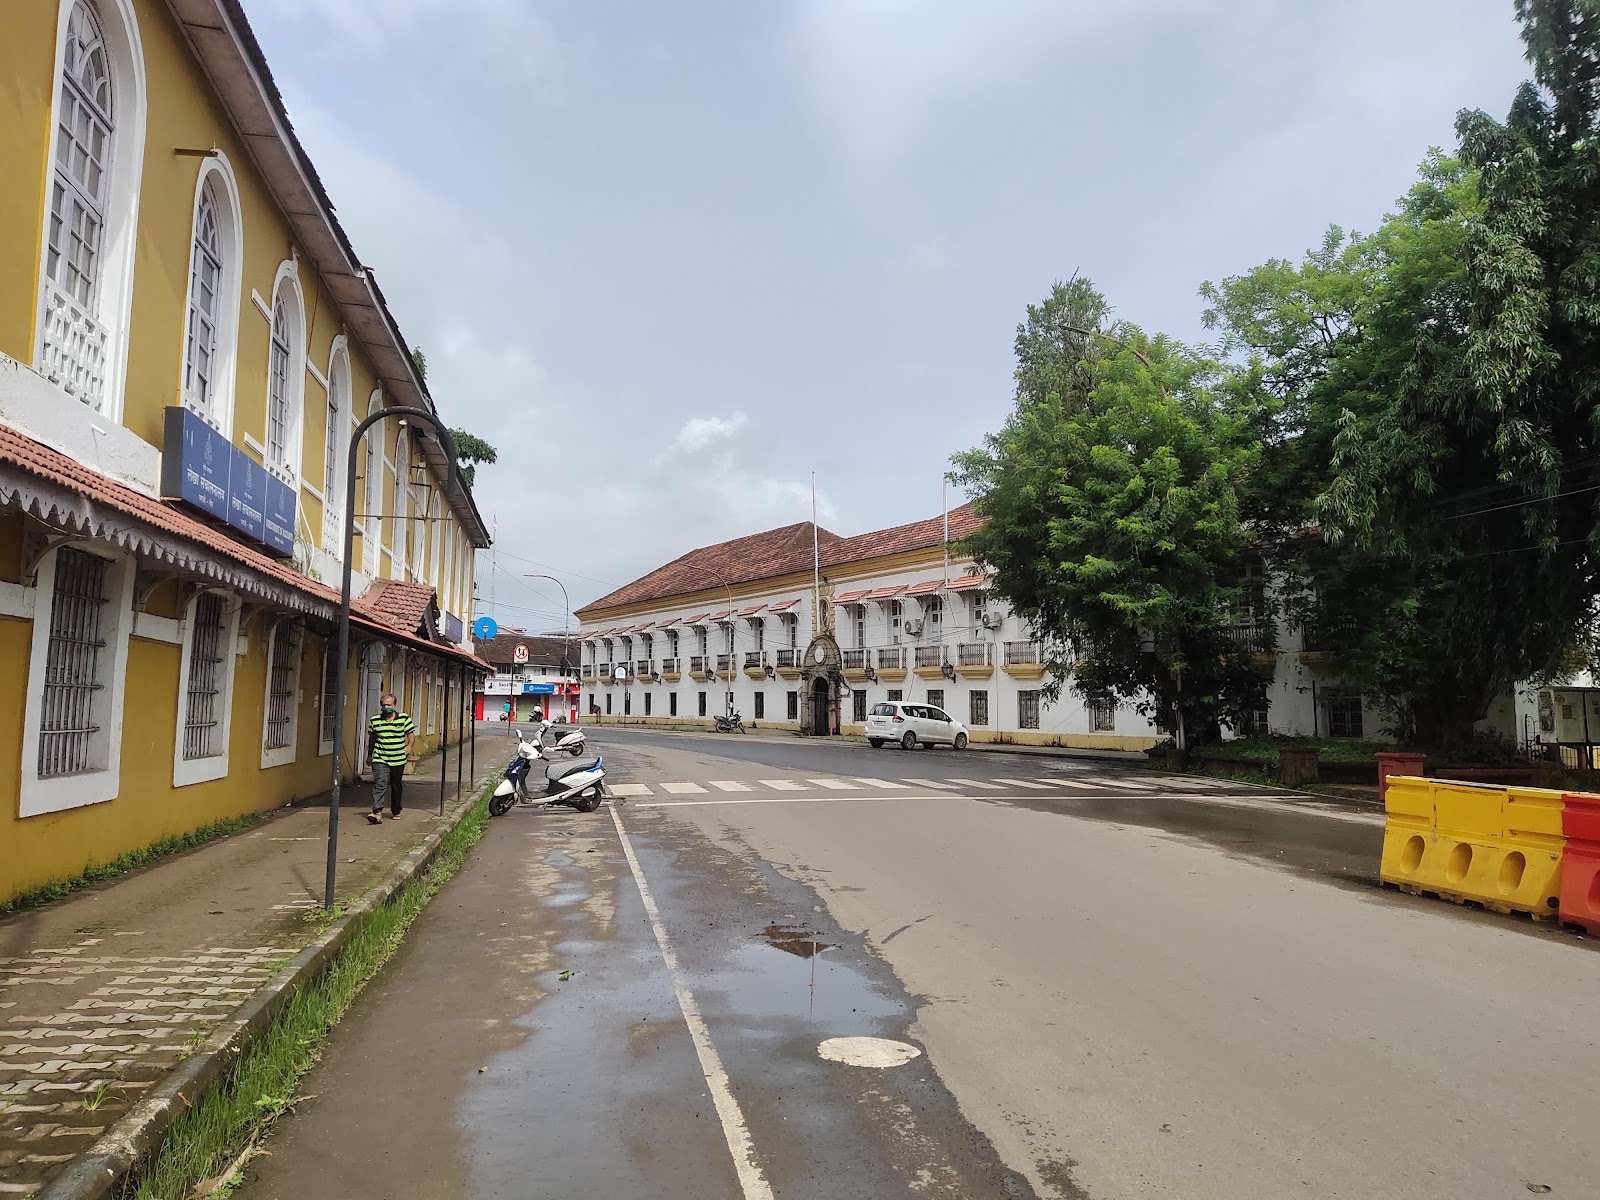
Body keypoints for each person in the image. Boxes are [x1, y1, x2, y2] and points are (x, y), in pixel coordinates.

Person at [366, 693, 416, 824]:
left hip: (398, 758)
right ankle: (377, 812)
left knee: (396, 784)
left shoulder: (404, 719)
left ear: (394, 705)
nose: (386, 708)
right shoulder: (375, 720)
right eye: (384, 705)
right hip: (380, 758)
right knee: (379, 783)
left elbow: (411, 735)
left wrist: (409, 746)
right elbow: (372, 738)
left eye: (389, 705)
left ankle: (396, 810)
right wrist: (370, 754)